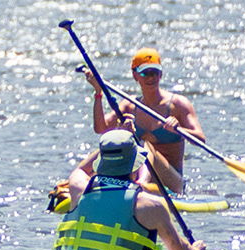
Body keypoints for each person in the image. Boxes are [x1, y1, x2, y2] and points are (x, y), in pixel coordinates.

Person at [50, 137, 213, 250]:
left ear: (100, 162)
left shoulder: (79, 191)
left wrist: (111, 141)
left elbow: (80, 170)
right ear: (134, 165)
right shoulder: (149, 204)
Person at [75, 42, 204, 198]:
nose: (151, 77)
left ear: (161, 74)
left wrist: (179, 130)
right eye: (145, 73)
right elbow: (100, 128)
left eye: (155, 72)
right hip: (135, 178)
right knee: (110, 144)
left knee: (146, 146)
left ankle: (139, 187)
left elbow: (200, 139)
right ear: (135, 75)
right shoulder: (130, 105)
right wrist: (98, 93)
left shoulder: (178, 105)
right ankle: (83, 179)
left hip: (171, 182)